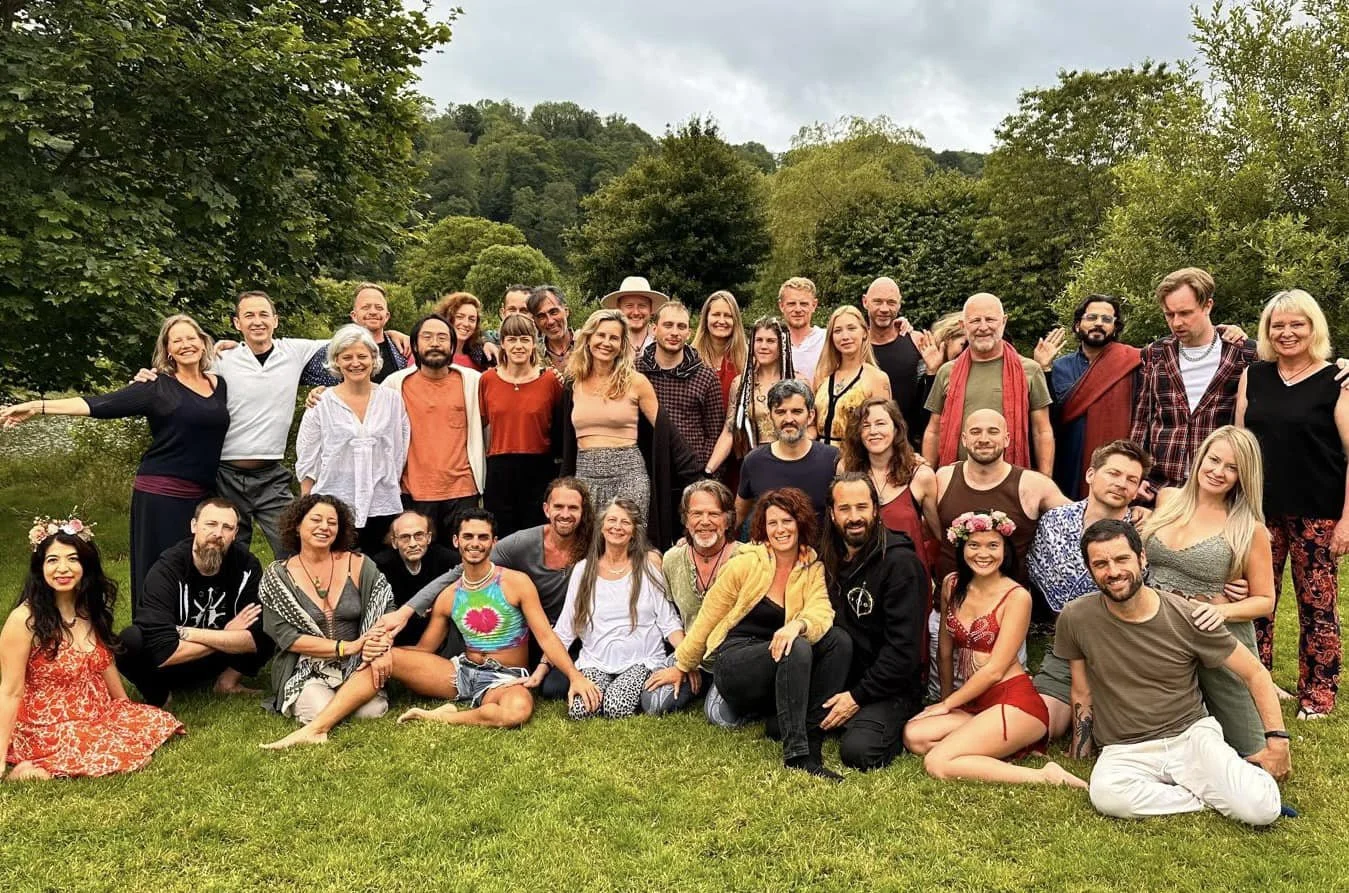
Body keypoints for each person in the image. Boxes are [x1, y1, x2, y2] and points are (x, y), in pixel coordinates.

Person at [261, 509, 601, 746]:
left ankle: (441, 717)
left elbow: (546, 636)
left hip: (505, 678)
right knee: (384, 655)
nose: (475, 543)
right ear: (456, 541)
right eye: (468, 536)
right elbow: (425, 650)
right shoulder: (448, 596)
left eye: (483, 537)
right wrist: (385, 653)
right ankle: (317, 728)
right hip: (460, 673)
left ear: (493, 542)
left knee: (516, 713)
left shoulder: (515, 583)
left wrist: (574, 676)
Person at [1058, 520, 1289, 825]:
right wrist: (1080, 750)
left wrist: (1278, 741)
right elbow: (1082, 691)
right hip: (1125, 748)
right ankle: (1205, 797)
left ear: (1142, 558)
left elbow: (1255, 673)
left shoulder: (1186, 615)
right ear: (1090, 570)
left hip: (1190, 737)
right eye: (1100, 564)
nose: (1113, 571)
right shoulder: (1075, 618)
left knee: (1262, 810)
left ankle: (1229, 786)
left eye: (1122, 559)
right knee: (1107, 796)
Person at [1, 314, 229, 608]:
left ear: (203, 342)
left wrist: (235, 346)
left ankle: (194, 630)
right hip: (162, 494)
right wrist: (38, 406)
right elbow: (100, 404)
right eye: (177, 341)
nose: (186, 345)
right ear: (168, 351)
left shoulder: (218, 384)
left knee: (199, 569)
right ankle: (152, 631)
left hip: (203, 495)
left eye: (191, 338)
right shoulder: (155, 386)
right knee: (162, 570)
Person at [672, 488, 852, 781]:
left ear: (800, 523)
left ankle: (807, 727)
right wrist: (682, 664)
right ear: (763, 528)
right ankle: (798, 756)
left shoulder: (811, 567)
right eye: (772, 523)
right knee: (795, 648)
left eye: (787, 521)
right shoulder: (746, 563)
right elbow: (708, 617)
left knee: (838, 641)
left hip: (779, 662)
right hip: (737, 663)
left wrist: (798, 625)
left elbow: (821, 611)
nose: (780, 529)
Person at [902, 511, 1082, 787]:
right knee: (914, 736)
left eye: (992, 545)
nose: (983, 554)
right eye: (974, 545)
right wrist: (945, 701)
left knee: (938, 762)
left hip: (1014, 702)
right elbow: (945, 651)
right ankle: (1004, 747)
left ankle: (1046, 776)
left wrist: (949, 704)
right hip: (974, 703)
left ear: (1004, 550)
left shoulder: (1017, 596)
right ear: (962, 548)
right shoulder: (952, 584)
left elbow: (996, 670)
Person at [1237, 289, 1349, 720]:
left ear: (1313, 328)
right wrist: (1238, 508)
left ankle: (1318, 693)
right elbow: (1239, 446)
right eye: (1277, 325)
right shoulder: (1254, 376)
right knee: (1256, 602)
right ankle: (1256, 682)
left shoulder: (1337, 381)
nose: (1287, 332)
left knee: (1317, 606)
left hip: (1317, 512)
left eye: (1296, 324)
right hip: (1260, 512)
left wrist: (1346, 521)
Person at [1, 519, 183, 780]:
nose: (62, 568)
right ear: (40, 567)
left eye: (72, 559)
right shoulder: (24, 620)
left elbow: (104, 661)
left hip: (95, 711)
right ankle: (25, 770)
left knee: (157, 722)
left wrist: (124, 707)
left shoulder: (86, 608)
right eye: (52, 560)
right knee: (121, 755)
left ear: (85, 565)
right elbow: (10, 691)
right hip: (49, 722)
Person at [390, 478, 595, 699]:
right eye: (558, 506)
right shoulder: (521, 543)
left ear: (583, 512)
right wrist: (407, 610)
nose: (565, 514)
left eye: (573, 507)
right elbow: (460, 570)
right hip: (529, 637)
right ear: (546, 509)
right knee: (549, 687)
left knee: (546, 692)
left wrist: (574, 675)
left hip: (568, 634)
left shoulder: (594, 544)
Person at [1138, 426, 1275, 756]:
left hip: (1211, 633)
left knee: (1250, 749)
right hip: (1156, 632)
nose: (1218, 472)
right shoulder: (1168, 499)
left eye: (1232, 468)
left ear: (1243, 476)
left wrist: (1221, 610)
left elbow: (1265, 601)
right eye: (1214, 460)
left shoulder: (1249, 528)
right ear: (1200, 458)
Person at [1028, 440, 1152, 738]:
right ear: (1091, 474)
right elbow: (1037, 574)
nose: (1121, 484)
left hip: (1125, 648)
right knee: (1042, 726)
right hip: (1068, 645)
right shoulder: (1055, 522)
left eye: (1131, 479)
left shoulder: (1147, 532)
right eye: (1114, 473)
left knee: (1126, 730)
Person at [211, 291, 342, 557]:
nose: (257, 321)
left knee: (294, 547)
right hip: (226, 474)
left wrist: (391, 335)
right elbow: (182, 376)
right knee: (228, 552)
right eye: (249, 315)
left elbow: (351, 343)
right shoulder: (221, 359)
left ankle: (290, 586)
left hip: (271, 476)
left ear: (276, 320)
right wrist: (150, 376)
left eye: (264, 314)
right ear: (237, 323)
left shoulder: (294, 351)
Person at [558, 309, 699, 551]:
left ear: (622, 344)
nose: (606, 343)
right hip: (585, 478)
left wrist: (697, 477)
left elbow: (667, 432)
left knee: (631, 550)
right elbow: (564, 443)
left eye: (614, 338)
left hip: (629, 476)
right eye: (600, 335)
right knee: (589, 551)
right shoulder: (573, 382)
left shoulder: (636, 382)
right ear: (588, 338)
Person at [117, 499, 274, 708]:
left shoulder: (246, 565)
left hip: (219, 660)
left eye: (227, 527)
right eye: (211, 524)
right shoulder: (168, 568)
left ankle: (227, 682)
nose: (218, 533)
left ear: (235, 534)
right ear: (194, 525)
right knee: (129, 641)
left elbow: (256, 638)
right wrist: (226, 635)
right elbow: (162, 650)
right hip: (172, 666)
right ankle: (160, 696)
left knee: (274, 621)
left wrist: (188, 633)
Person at [819, 474, 927, 771]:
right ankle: (851, 718)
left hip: (891, 687)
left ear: (876, 509)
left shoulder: (900, 564)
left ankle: (886, 720)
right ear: (832, 513)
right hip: (841, 677)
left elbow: (903, 652)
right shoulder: (827, 557)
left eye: (862, 507)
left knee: (859, 752)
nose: (854, 517)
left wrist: (857, 697)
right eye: (844, 508)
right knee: (778, 727)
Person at [258, 495, 393, 726]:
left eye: (332, 522)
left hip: (358, 662)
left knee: (371, 711)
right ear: (297, 525)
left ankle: (349, 694)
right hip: (305, 665)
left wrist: (379, 648)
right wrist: (345, 647)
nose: (324, 527)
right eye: (316, 520)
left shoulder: (359, 564)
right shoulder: (278, 576)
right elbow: (286, 637)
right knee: (321, 710)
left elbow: (386, 608)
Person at [546, 499, 684, 719]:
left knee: (615, 707)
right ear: (601, 527)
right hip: (595, 661)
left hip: (642, 660)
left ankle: (620, 692)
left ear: (634, 532)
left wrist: (685, 661)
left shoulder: (647, 568)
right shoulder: (583, 570)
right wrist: (542, 669)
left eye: (625, 522)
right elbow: (565, 628)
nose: (617, 527)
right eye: (612, 520)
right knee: (580, 710)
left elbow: (669, 622)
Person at [1129, 268, 1256, 497]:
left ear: (1208, 306)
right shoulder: (1155, 354)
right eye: (1169, 314)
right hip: (1161, 487)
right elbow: (1142, 422)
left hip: (1221, 489)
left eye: (1185, 313)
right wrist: (1134, 474)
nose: (1177, 322)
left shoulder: (1243, 354)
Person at [296, 324, 409, 555]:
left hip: (382, 503)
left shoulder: (391, 400)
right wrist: (306, 506)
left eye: (362, 356)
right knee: (336, 566)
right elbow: (308, 458)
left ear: (373, 358)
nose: (355, 363)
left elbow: (399, 450)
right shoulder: (321, 403)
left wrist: (391, 483)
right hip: (334, 503)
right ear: (336, 361)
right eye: (347, 357)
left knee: (379, 567)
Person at [923, 292, 1054, 475]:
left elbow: (1042, 431)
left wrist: (1045, 478)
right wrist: (927, 476)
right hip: (956, 478)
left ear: (1004, 322)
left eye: (990, 319)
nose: (983, 327)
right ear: (963, 325)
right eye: (975, 321)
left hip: (1012, 479)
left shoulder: (1030, 370)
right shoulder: (947, 372)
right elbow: (934, 431)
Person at [935, 409, 1069, 585]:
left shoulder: (1034, 485)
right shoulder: (942, 478)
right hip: (949, 596)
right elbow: (920, 528)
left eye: (993, 431)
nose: (984, 439)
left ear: (1006, 439)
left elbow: (1077, 519)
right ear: (964, 439)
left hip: (1013, 598)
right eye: (975, 432)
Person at [382, 314, 485, 546]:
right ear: (415, 345)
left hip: (463, 491)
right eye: (427, 337)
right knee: (417, 559)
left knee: (463, 559)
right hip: (413, 492)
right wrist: (322, 393)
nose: (435, 343)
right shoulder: (394, 385)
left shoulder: (473, 382)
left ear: (452, 345)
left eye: (442, 337)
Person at [648, 480, 743, 720]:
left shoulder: (746, 558)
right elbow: (671, 617)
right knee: (654, 703)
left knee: (720, 717)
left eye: (714, 514)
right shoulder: (672, 559)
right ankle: (698, 681)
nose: (705, 521)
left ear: (728, 519)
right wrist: (684, 659)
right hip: (690, 653)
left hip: (732, 658)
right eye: (697, 514)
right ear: (686, 520)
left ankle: (718, 689)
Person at [1036, 295, 1141, 500]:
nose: (1099, 323)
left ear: (1115, 328)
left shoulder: (1133, 364)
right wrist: (1043, 369)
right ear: (1078, 325)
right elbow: (1048, 420)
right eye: (1092, 317)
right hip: (1067, 463)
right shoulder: (1059, 367)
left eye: (1106, 319)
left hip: (1116, 465)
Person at [479, 313, 563, 537]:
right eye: (512, 339)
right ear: (503, 344)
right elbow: (482, 424)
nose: (518, 346)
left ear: (534, 343)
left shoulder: (550, 380)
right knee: (502, 537)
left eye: (525, 339)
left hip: (539, 468)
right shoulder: (487, 380)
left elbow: (560, 426)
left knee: (536, 537)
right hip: (499, 469)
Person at [839, 397, 941, 576]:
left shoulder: (921, 475)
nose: (873, 431)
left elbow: (936, 533)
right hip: (862, 576)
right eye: (865, 425)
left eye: (880, 423)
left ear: (896, 429)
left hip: (908, 576)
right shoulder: (846, 469)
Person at [705, 316, 805, 480]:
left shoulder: (798, 382)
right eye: (759, 340)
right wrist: (708, 471)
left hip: (791, 464)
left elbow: (811, 429)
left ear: (782, 345)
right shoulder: (741, 384)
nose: (763, 346)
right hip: (755, 466)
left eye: (770, 341)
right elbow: (729, 432)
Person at [736, 379, 840, 533]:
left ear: (811, 415)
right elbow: (738, 514)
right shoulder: (754, 462)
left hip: (822, 548)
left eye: (797, 411)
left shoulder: (832, 459)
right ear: (770, 416)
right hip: (770, 547)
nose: (789, 419)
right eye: (780, 412)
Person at [635, 301, 725, 469]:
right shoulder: (635, 371)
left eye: (681, 327)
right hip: (643, 468)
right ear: (654, 329)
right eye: (668, 325)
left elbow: (714, 434)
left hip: (689, 470)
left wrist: (704, 474)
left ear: (689, 333)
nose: (674, 332)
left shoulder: (706, 377)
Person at [370, 511, 458, 648]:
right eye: (405, 537)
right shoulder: (380, 566)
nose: (413, 543)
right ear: (394, 542)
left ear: (428, 538)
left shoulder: (447, 560)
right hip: (396, 640)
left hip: (440, 638)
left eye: (419, 536)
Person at [812, 305, 892, 447]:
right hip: (820, 455)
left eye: (851, 328)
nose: (845, 336)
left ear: (865, 333)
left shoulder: (876, 378)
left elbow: (883, 428)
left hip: (856, 456)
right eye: (838, 331)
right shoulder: (822, 376)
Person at [303, 282, 410, 386]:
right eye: (366, 307)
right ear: (354, 315)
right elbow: (297, 371)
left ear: (386, 316)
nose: (373, 312)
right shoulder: (331, 351)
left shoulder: (403, 349)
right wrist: (320, 391)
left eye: (379, 308)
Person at [862, 277, 925, 438]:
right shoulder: (855, 345)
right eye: (878, 302)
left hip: (910, 440)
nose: (884, 309)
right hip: (867, 438)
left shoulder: (916, 341)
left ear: (899, 304)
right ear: (865, 302)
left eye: (891, 302)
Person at [912, 311, 968, 450]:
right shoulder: (924, 373)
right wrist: (932, 373)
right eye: (963, 345)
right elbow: (922, 424)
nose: (967, 352)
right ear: (948, 340)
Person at [690, 289, 748, 410]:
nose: (721, 321)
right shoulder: (690, 358)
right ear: (706, 318)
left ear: (735, 321)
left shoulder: (748, 359)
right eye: (716, 314)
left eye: (728, 316)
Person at [601, 275, 667, 358]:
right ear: (619, 308)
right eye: (629, 306)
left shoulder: (664, 342)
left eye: (642, 306)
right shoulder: (606, 343)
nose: (636, 312)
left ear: (651, 309)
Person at [778, 277, 827, 384]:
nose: (798, 309)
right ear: (781, 306)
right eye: (791, 304)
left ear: (814, 305)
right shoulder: (771, 342)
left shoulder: (827, 339)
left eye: (804, 304)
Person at [434, 291, 494, 371]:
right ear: (447, 317)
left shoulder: (480, 360)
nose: (466, 324)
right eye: (460, 317)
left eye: (472, 319)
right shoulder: (431, 356)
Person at [530, 284, 575, 374]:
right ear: (535, 321)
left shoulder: (586, 345)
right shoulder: (532, 354)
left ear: (566, 311)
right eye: (541, 316)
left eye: (554, 312)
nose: (550, 321)